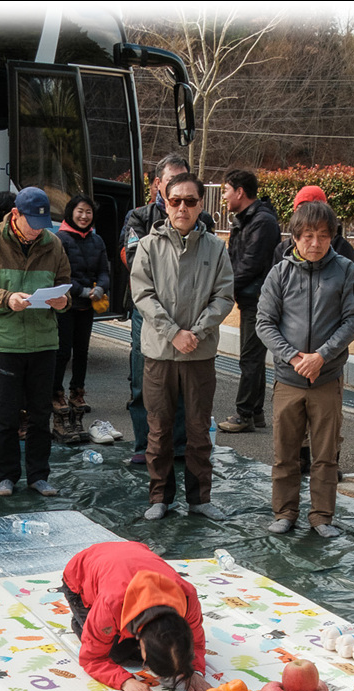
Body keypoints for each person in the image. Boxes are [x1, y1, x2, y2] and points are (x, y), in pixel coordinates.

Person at [130, 172, 234, 521]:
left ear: (201, 204)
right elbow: (143, 294)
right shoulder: (149, 245)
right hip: (160, 354)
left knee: (198, 429)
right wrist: (173, 332)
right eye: (175, 201)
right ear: (165, 202)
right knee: (158, 429)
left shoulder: (216, 248)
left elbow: (224, 296)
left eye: (190, 201)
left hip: (199, 355)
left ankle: (199, 498)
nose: (182, 208)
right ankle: (159, 497)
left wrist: (197, 333)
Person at [257, 200, 354, 537]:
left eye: (322, 235)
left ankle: (322, 516)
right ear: (295, 238)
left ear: (332, 236)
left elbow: (353, 319)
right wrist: (294, 357)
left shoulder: (345, 270)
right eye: (307, 236)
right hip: (288, 379)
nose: (315, 243)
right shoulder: (280, 273)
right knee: (284, 452)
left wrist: (321, 356)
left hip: (326, 378)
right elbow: (264, 322)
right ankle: (284, 512)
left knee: (326, 454)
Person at [0, 186, 71, 498]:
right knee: (7, 414)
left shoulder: (53, 243)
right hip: (4, 342)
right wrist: (7, 299)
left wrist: (62, 302)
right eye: (32, 224)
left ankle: (39, 475)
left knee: (41, 413)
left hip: (44, 342)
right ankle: (6, 475)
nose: (38, 231)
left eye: (43, 225)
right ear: (15, 214)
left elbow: (65, 285)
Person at [120, 152, 212, 462]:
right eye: (173, 182)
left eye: (186, 183)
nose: (182, 202)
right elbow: (134, 261)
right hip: (148, 313)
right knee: (143, 383)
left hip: (191, 315)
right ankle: (144, 446)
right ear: (159, 184)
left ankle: (180, 447)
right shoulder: (139, 217)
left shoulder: (204, 221)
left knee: (186, 387)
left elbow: (213, 274)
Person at [61, 542, 210, 691]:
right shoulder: (111, 605)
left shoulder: (188, 597)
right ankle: (80, 622)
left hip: (129, 557)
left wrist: (193, 670)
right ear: (142, 644)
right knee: (116, 653)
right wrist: (126, 682)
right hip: (80, 576)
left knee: (153, 653)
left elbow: (196, 642)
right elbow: (92, 658)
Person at [216, 168, 281, 433]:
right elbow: (234, 259)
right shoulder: (245, 219)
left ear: (240, 192)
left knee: (250, 357)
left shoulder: (262, 222)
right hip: (249, 296)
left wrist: (225, 286)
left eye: (226, 190)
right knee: (253, 355)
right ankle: (256, 412)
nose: (224, 196)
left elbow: (250, 264)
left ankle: (244, 414)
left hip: (259, 298)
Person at [52, 191, 109, 442]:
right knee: (62, 351)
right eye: (80, 211)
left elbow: (104, 270)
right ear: (70, 213)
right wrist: (82, 290)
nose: (84, 216)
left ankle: (78, 391)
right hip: (66, 305)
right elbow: (59, 275)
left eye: (88, 212)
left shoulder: (97, 240)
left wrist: (101, 287)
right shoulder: (60, 239)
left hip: (88, 306)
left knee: (82, 351)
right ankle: (56, 393)